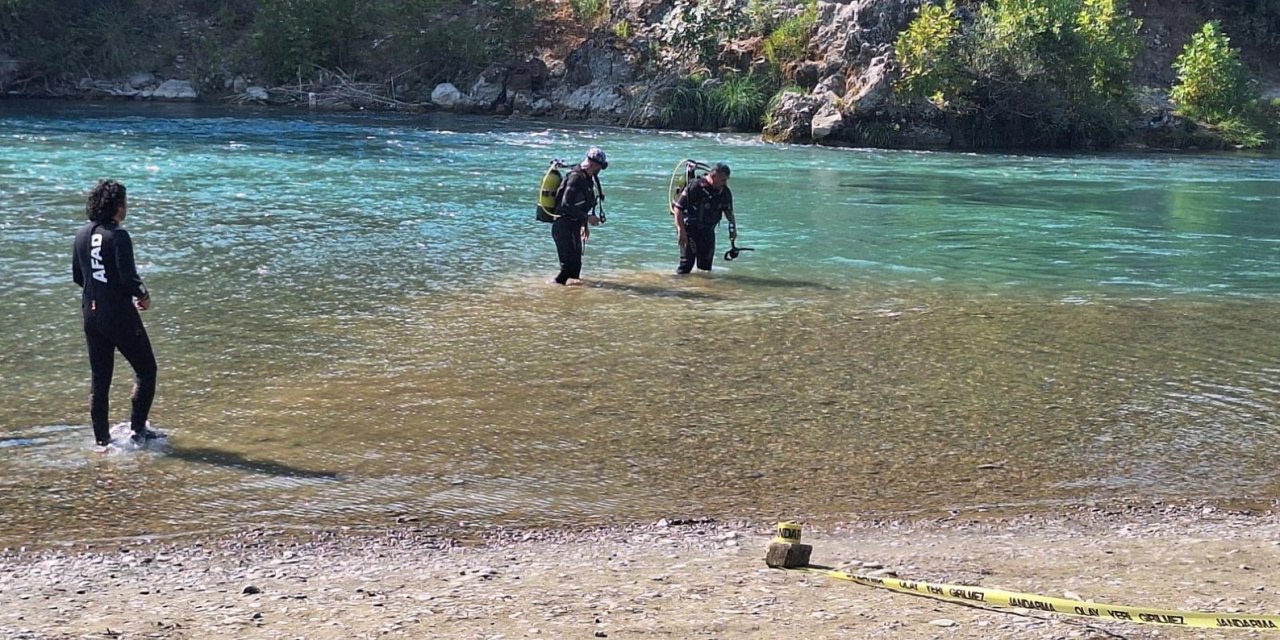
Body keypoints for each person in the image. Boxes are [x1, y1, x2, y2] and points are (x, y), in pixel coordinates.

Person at [72, 180, 161, 447]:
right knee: (146, 370)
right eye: (125, 203)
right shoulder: (118, 235)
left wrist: (100, 291)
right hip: (119, 314)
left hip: (91, 314)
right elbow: (129, 277)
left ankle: (102, 441)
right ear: (117, 206)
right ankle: (138, 431)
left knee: (100, 379)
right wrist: (143, 297)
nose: (126, 208)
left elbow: (78, 277)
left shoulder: (81, 234)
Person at [551, 147, 607, 285]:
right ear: (592, 164)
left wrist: (584, 225)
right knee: (566, 269)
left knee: (575, 269)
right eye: (600, 166)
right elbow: (565, 205)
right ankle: (553, 288)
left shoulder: (588, 178)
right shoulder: (575, 178)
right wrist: (587, 218)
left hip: (574, 225)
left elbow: (580, 205)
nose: (600, 169)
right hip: (563, 226)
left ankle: (571, 295)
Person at [672, 162, 736, 274]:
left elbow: (729, 213)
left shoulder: (725, 192)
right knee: (686, 265)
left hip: (708, 231)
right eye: (722, 180)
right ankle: (678, 284)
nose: (725, 183)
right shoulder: (696, 186)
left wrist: (733, 229)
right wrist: (681, 230)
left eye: (726, 180)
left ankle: (703, 285)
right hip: (689, 231)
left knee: (705, 268)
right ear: (713, 176)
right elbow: (678, 208)